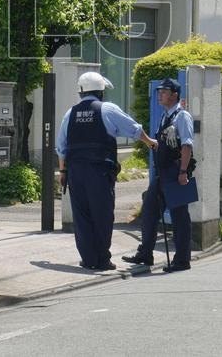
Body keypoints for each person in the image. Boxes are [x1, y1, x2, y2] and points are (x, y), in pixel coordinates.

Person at [56, 71, 158, 271]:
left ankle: (88, 259)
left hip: (75, 173)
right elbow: (134, 128)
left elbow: (61, 147)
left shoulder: (70, 113)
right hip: (99, 172)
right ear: (101, 92)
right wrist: (150, 142)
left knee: (82, 216)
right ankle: (102, 259)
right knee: (102, 215)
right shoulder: (107, 109)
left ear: (81, 92)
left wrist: (63, 172)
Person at [122, 78, 195, 273]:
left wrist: (183, 172)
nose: (160, 94)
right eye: (159, 91)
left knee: (180, 217)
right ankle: (146, 253)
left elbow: (187, 145)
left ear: (175, 95)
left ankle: (182, 260)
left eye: (164, 91)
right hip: (163, 173)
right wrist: (149, 141)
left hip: (176, 172)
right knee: (149, 211)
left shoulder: (182, 116)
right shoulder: (165, 117)